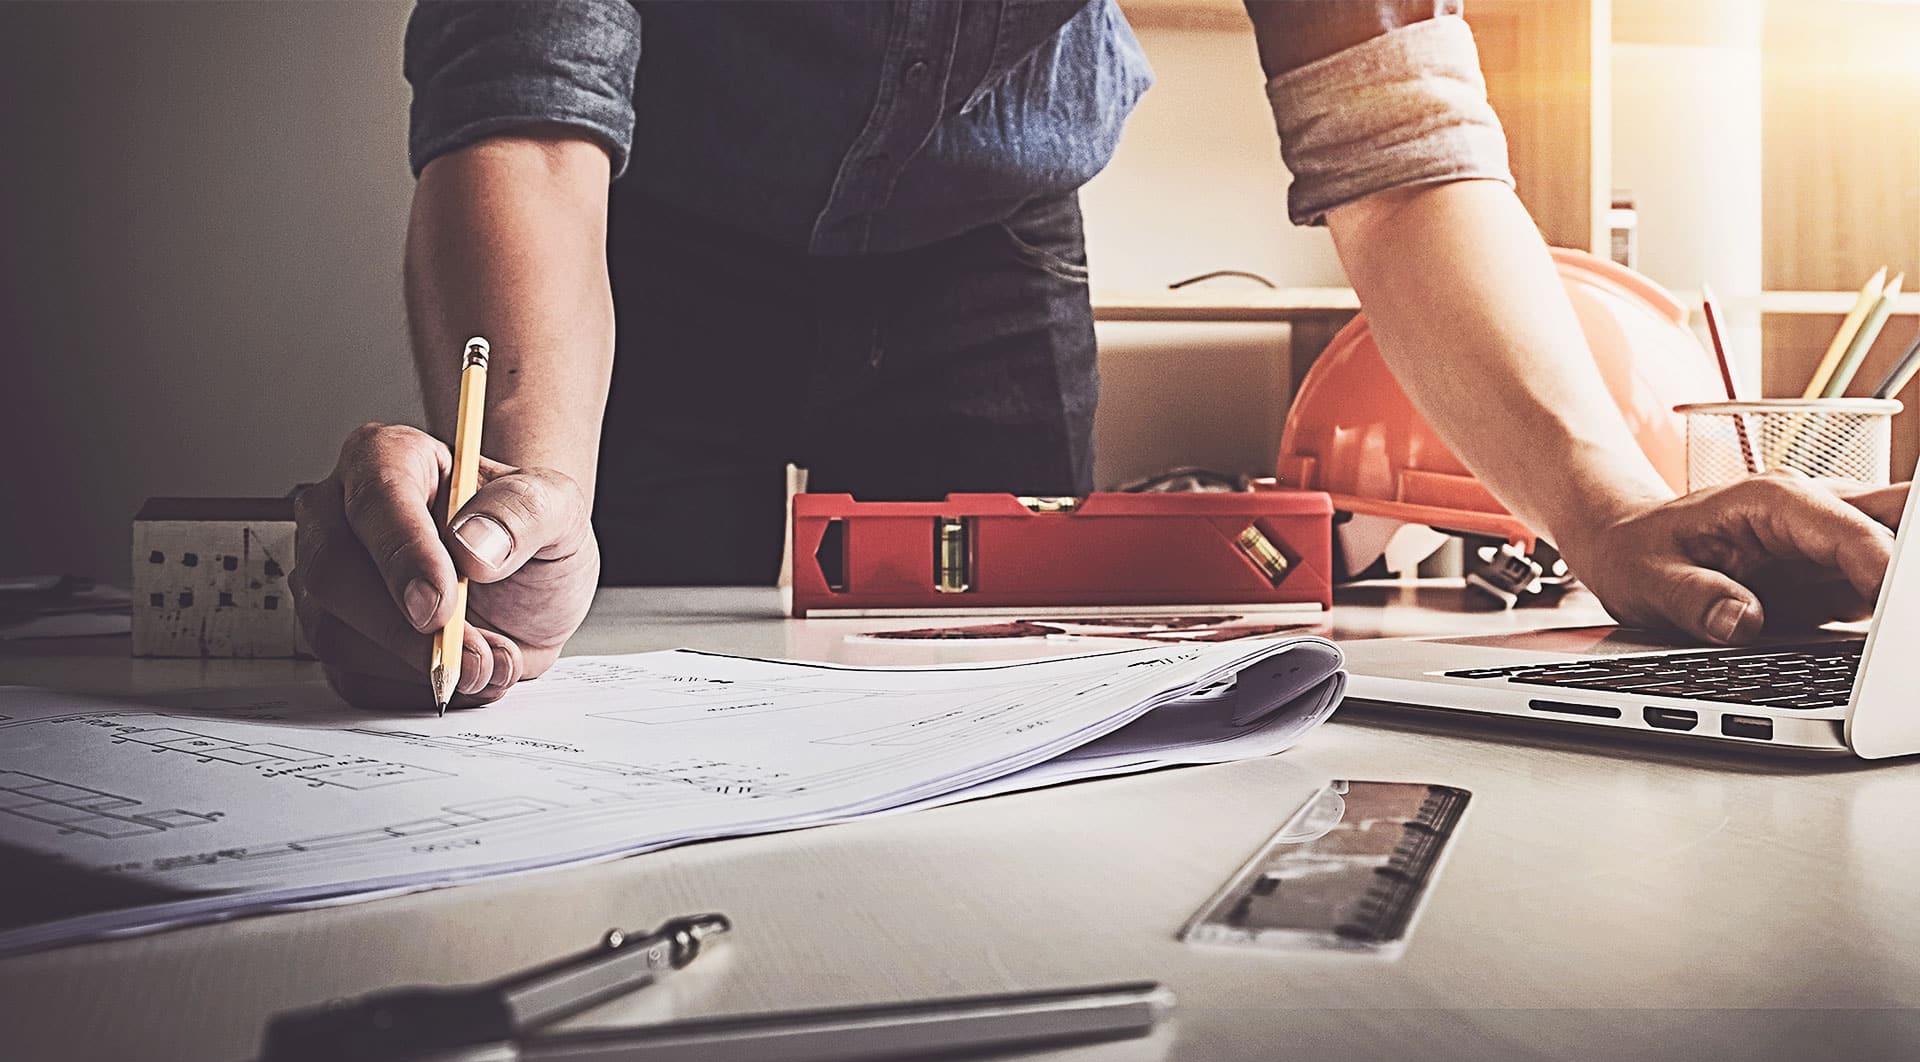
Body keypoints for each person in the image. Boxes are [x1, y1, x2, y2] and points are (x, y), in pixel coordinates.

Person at [291, 0, 1907, 709]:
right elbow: (531, 95)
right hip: (652, 245)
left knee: (998, 753)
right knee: (579, 689)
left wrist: (1608, 508)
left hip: (984, 250)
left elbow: (1398, 142)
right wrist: (538, 485)